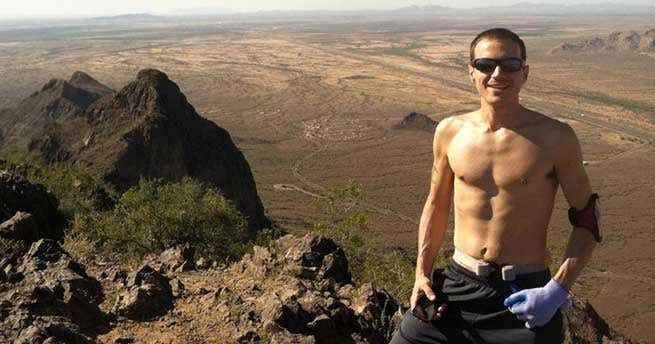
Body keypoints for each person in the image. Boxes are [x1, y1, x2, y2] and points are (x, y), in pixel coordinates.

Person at [389, 28, 601, 344]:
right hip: (456, 286)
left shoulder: (556, 138)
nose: (498, 74)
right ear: (471, 72)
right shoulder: (450, 131)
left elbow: (588, 219)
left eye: (510, 65)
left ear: (525, 73)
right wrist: (422, 274)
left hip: (523, 296)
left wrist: (556, 291)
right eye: (486, 65)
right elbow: (436, 206)